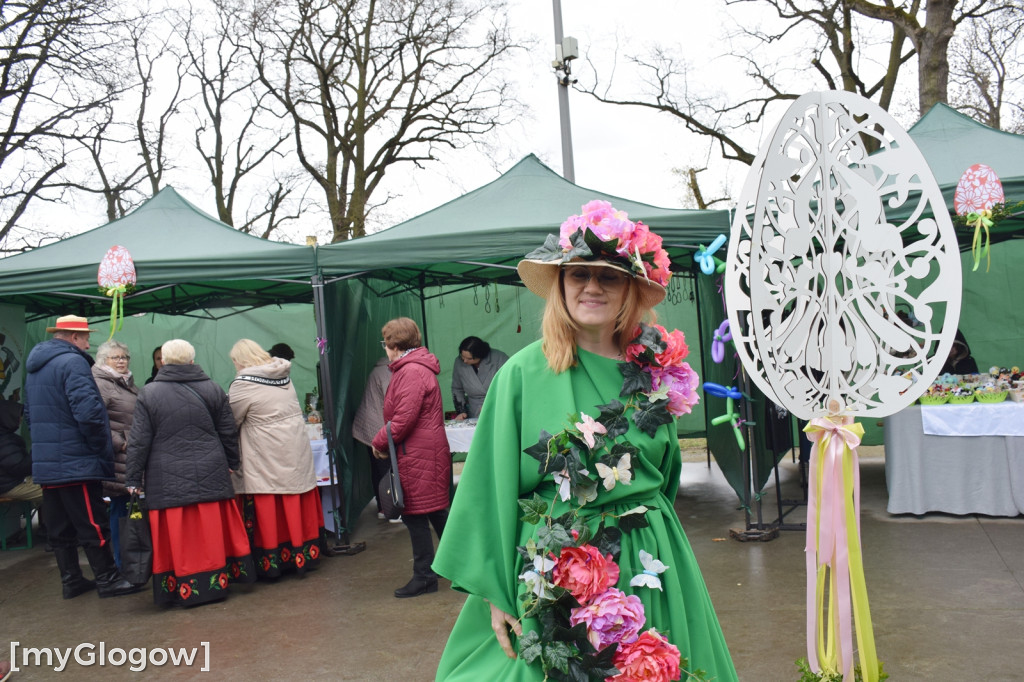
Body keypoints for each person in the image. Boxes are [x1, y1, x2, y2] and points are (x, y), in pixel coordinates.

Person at [432, 202, 737, 680]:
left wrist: (654, 538)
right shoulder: (521, 373)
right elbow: (486, 488)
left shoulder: (658, 378)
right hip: (558, 563)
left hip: (649, 557)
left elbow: (668, 476)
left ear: (629, 291)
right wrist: (492, 591)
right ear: (561, 287)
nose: (592, 287)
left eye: (609, 277)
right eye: (578, 275)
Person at [125, 339, 256, 606]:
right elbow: (227, 431)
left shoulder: (149, 393)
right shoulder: (213, 388)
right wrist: (233, 462)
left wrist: (132, 478)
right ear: (191, 359)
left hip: (166, 475)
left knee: (179, 537)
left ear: (164, 360)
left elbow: (139, 440)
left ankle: (180, 588)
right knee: (210, 532)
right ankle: (217, 583)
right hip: (211, 469)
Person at [23, 315, 142, 599]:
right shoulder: (73, 362)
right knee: (92, 523)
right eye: (86, 338)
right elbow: (88, 413)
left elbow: (27, 413)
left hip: (48, 461)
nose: (89, 344)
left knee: (60, 526)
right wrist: (98, 447)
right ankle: (108, 578)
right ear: (73, 337)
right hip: (76, 461)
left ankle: (71, 580)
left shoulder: (35, 366)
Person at [227, 339, 324, 578]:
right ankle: (302, 554)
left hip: (265, 453)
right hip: (293, 447)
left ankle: (271, 561)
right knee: (292, 499)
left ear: (239, 360)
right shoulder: (283, 375)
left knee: (270, 500)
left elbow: (231, 421)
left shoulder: (243, 384)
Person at [370, 318, 451, 598]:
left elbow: (403, 419)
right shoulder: (416, 367)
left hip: (417, 454)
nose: (385, 348)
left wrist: (379, 441)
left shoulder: (411, 371)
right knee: (437, 512)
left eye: (386, 343)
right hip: (424, 452)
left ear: (394, 345)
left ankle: (425, 576)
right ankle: (462, 566)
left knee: (416, 515)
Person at [91, 339, 139, 568]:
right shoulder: (101, 383)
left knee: (129, 511)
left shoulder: (124, 382)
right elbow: (95, 421)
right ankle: (123, 564)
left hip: (130, 455)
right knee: (121, 512)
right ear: (104, 360)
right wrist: (120, 443)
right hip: (118, 457)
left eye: (124, 357)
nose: (121, 361)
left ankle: (133, 560)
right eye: (116, 357)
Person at [352, 355, 392, 519]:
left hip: (369, 426)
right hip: (377, 427)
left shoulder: (380, 369)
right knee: (387, 469)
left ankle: (383, 507)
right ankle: (390, 509)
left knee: (378, 468)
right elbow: (392, 403)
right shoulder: (387, 372)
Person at [451, 337, 508, 420]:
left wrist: (490, 404)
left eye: (469, 358)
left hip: (499, 406)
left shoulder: (499, 358)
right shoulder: (459, 362)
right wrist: (461, 411)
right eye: (462, 357)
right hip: (474, 410)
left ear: (481, 355)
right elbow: (457, 389)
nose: (465, 361)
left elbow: (509, 386)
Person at [0, 397, 42, 507]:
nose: (20, 419)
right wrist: (37, 452)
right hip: (10, 486)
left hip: (7, 484)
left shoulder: (4, 437)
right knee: (53, 491)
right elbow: (20, 468)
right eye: (18, 416)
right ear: (7, 417)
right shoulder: (5, 440)